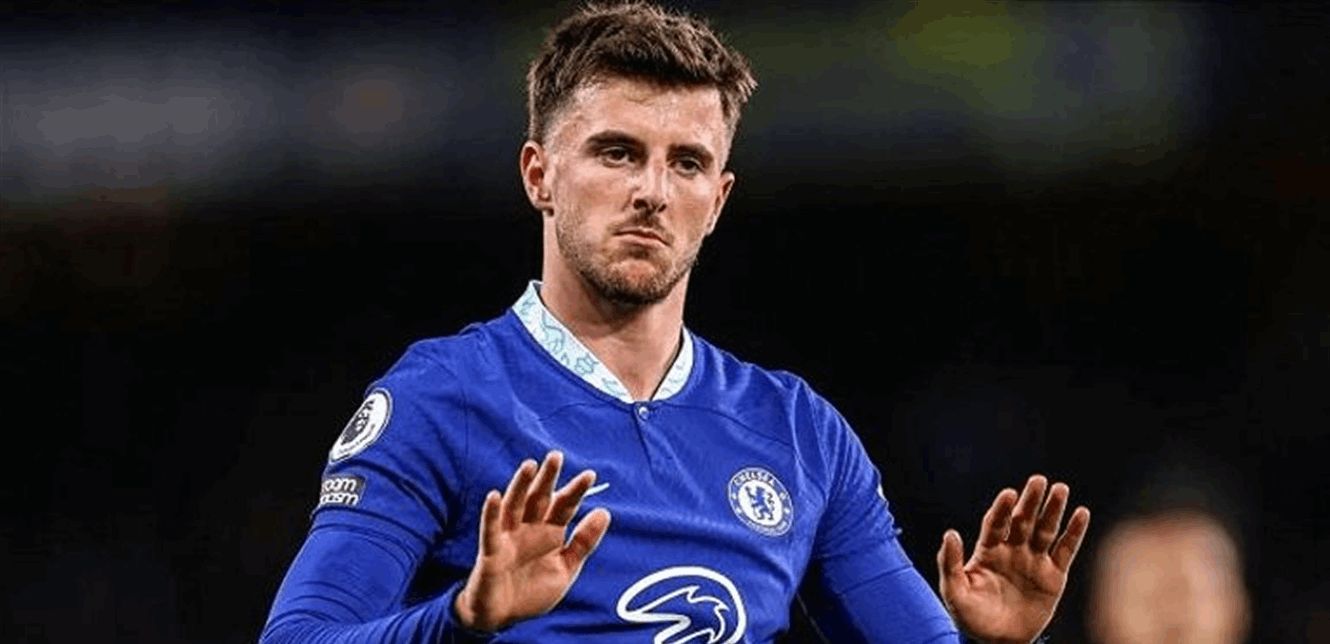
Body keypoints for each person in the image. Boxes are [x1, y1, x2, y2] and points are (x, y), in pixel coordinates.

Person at [261, 3, 1090, 642]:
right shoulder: (441, 399)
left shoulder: (799, 433)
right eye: (617, 152)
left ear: (717, 200)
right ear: (539, 175)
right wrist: (463, 619)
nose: (652, 192)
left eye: (686, 163)